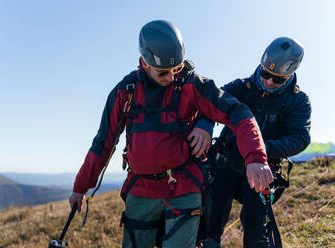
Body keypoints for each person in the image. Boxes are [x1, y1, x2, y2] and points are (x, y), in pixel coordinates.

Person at [69, 20, 272, 248]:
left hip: (184, 185)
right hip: (140, 188)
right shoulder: (126, 92)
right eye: (163, 72)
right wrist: (80, 187)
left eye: (177, 68)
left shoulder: (193, 85)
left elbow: (238, 111)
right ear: (145, 64)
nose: (172, 77)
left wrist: (256, 158)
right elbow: (103, 141)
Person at [197, 37, 311, 247]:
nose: (268, 82)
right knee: (210, 222)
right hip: (226, 163)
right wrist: (204, 126)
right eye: (265, 74)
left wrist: (260, 149)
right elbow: (209, 104)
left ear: (291, 75)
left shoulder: (298, 100)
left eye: (277, 80)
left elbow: (300, 138)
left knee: (258, 227)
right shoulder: (240, 87)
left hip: (264, 169)